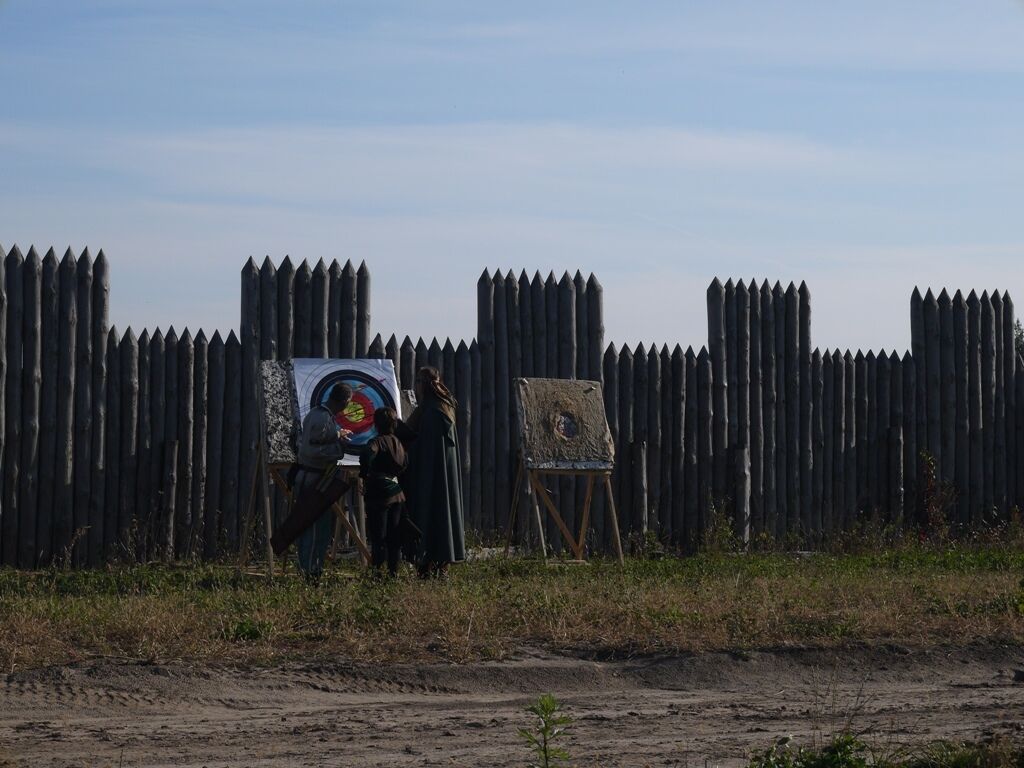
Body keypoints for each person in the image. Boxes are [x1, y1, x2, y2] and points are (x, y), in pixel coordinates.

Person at [270, 383, 354, 580]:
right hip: (314, 480)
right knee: (313, 526)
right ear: (343, 401)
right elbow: (312, 451)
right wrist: (339, 446)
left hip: (316, 479)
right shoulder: (322, 418)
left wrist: (337, 434)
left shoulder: (321, 415)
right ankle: (310, 571)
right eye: (348, 403)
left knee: (315, 526)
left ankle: (310, 568)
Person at [405, 366, 465, 578]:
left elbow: (422, 446)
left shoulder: (432, 411)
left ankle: (429, 564)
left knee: (431, 511)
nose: (417, 386)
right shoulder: (443, 406)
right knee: (442, 510)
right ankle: (437, 565)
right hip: (440, 475)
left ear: (425, 385)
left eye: (419, 382)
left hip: (429, 475)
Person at [359, 406, 410, 576]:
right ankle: (393, 573)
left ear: (376, 424)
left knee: (379, 537)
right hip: (398, 495)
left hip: (380, 496)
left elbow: (367, 454)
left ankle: (377, 574)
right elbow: (405, 464)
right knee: (394, 537)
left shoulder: (377, 441)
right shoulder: (398, 442)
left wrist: (365, 474)